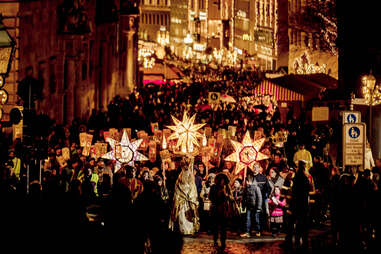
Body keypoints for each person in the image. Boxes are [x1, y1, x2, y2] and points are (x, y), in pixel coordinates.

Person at [169, 156, 200, 235]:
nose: (185, 167)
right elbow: (178, 184)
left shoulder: (190, 174)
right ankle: (181, 229)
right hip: (181, 197)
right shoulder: (181, 174)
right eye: (183, 165)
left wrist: (189, 194)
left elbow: (192, 186)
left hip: (187, 197)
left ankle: (189, 229)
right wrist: (179, 192)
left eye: (186, 165)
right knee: (181, 214)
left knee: (188, 213)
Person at [209, 173, 235, 252]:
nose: (222, 182)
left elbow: (231, 197)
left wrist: (226, 195)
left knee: (223, 228)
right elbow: (211, 197)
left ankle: (223, 242)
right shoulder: (214, 187)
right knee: (215, 227)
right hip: (216, 209)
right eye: (221, 180)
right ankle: (215, 240)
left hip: (224, 210)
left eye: (223, 181)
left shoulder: (227, 187)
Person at [241, 171, 262, 238]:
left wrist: (259, 207)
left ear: (248, 181)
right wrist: (243, 205)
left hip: (255, 206)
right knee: (248, 219)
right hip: (248, 206)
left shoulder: (256, 188)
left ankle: (258, 231)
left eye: (246, 181)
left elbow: (259, 197)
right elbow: (244, 197)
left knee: (256, 219)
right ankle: (247, 232)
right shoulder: (246, 188)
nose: (245, 183)